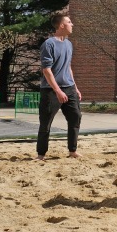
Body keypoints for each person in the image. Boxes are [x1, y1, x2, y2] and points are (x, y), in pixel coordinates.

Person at [36, 13, 83, 160]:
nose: (72, 24)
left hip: (68, 88)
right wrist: (57, 91)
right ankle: (41, 154)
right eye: (69, 22)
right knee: (46, 123)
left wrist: (75, 88)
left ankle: (72, 150)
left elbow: (68, 67)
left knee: (76, 117)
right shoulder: (49, 44)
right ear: (61, 25)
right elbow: (46, 70)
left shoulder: (69, 44)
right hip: (51, 90)